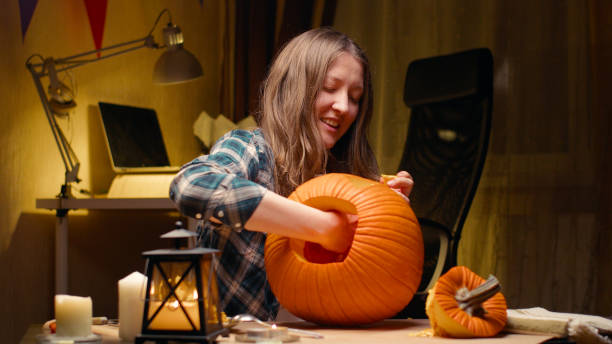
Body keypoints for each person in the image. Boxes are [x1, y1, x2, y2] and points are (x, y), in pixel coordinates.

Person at [169, 27, 414, 321]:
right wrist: (323, 227)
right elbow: (192, 185)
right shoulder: (252, 150)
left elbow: (370, 290)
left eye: (355, 97)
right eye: (329, 87)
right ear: (295, 86)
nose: (343, 106)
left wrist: (390, 217)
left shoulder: (347, 175)